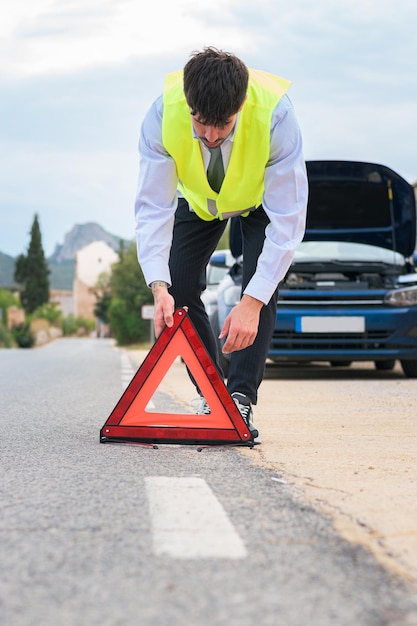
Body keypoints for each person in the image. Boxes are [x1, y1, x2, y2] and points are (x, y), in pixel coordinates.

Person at [134, 47, 308, 443]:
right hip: (198, 201)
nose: (209, 136)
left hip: (259, 199)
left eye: (222, 125)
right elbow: (153, 206)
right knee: (177, 286)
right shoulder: (161, 115)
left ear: (242, 105)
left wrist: (251, 303)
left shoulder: (277, 117)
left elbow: (288, 221)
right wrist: (158, 285)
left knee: (259, 288)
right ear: (188, 102)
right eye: (199, 120)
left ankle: (240, 397)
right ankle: (211, 394)